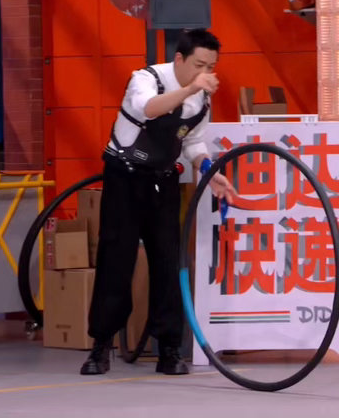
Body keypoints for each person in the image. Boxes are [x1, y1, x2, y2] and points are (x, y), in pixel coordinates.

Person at [80, 29, 237, 376]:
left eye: (210, 67)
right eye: (198, 65)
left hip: (163, 181)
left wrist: (208, 170)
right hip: (124, 177)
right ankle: (100, 346)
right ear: (179, 59)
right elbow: (149, 109)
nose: (205, 73)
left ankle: (169, 348)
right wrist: (192, 87)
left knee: (168, 261)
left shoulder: (200, 100)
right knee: (116, 259)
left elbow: (193, 142)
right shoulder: (146, 79)